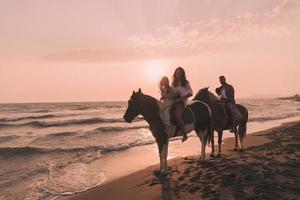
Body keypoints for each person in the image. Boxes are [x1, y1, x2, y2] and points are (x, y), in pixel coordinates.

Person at [172, 67, 193, 142]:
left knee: (177, 115)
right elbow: (172, 93)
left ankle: (184, 134)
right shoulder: (174, 83)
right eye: (177, 72)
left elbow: (191, 93)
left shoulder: (185, 82)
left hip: (181, 101)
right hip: (174, 101)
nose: (178, 74)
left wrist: (181, 98)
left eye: (179, 72)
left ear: (182, 74)